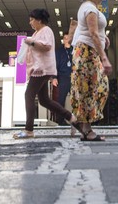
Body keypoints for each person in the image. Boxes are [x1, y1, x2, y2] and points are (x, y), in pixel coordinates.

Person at [13, 9, 77, 139]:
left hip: (42, 69)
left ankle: (29, 129)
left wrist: (31, 42)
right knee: (44, 100)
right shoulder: (37, 33)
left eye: (32, 19)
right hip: (40, 68)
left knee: (29, 95)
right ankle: (71, 118)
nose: (30, 22)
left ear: (39, 20)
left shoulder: (46, 30)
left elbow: (46, 47)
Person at [70, 0, 111, 142]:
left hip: (87, 51)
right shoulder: (89, 8)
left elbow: (92, 31)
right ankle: (86, 128)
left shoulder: (88, 8)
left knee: (94, 87)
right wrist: (104, 57)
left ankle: (81, 123)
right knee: (92, 88)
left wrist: (103, 37)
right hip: (87, 52)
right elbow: (92, 34)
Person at [52, 30, 73, 118]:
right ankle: (60, 121)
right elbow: (55, 65)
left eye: (68, 38)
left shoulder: (75, 50)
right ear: (63, 40)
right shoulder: (58, 52)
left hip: (74, 78)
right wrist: (54, 77)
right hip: (63, 77)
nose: (66, 40)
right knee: (61, 100)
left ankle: (78, 121)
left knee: (77, 100)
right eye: (65, 38)